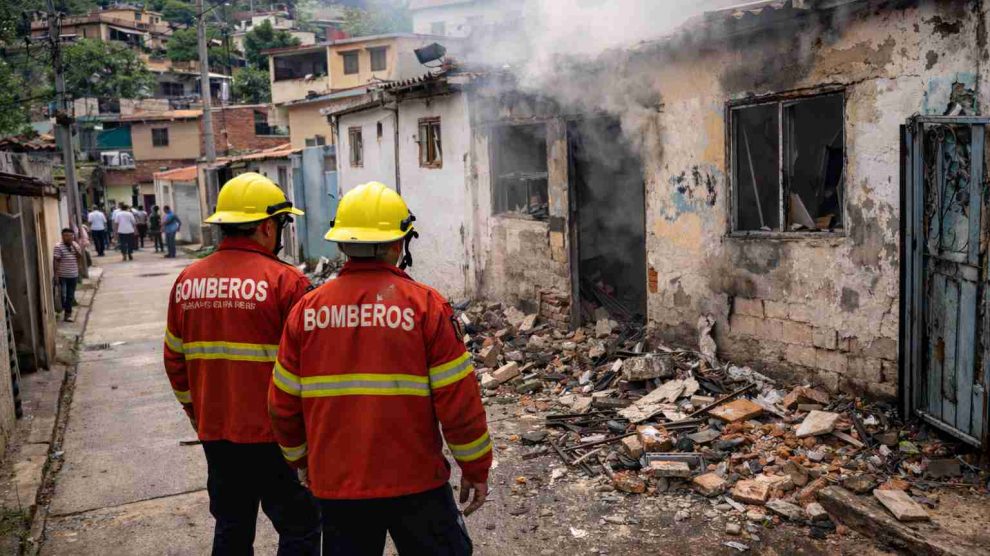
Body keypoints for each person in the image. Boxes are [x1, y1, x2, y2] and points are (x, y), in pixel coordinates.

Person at [269, 182, 491, 555]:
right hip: (417, 483)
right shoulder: (426, 307)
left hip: (338, 485)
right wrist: (475, 467)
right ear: (398, 244)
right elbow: (459, 403)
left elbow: (282, 404)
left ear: (341, 244)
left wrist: (301, 461)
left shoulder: (306, 312)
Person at [163, 173, 319, 555]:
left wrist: (197, 414)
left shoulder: (188, 281)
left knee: (231, 527)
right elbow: (310, 369)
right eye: (282, 223)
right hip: (276, 438)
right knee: (299, 528)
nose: (281, 232)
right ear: (267, 226)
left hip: (217, 435)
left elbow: (174, 358)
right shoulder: (287, 282)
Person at [53, 228, 81, 323]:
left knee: (70, 295)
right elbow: (56, 261)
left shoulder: (75, 245)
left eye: (70, 235)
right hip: (62, 275)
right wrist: (56, 275)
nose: (68, 237)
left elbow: (80, 257)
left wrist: (74, 246)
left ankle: (68, 314)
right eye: (66, 236)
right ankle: (63, 309)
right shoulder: (58, 246)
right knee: (63, 295)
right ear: (62, 236)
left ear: (73, 236)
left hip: (73, 274)